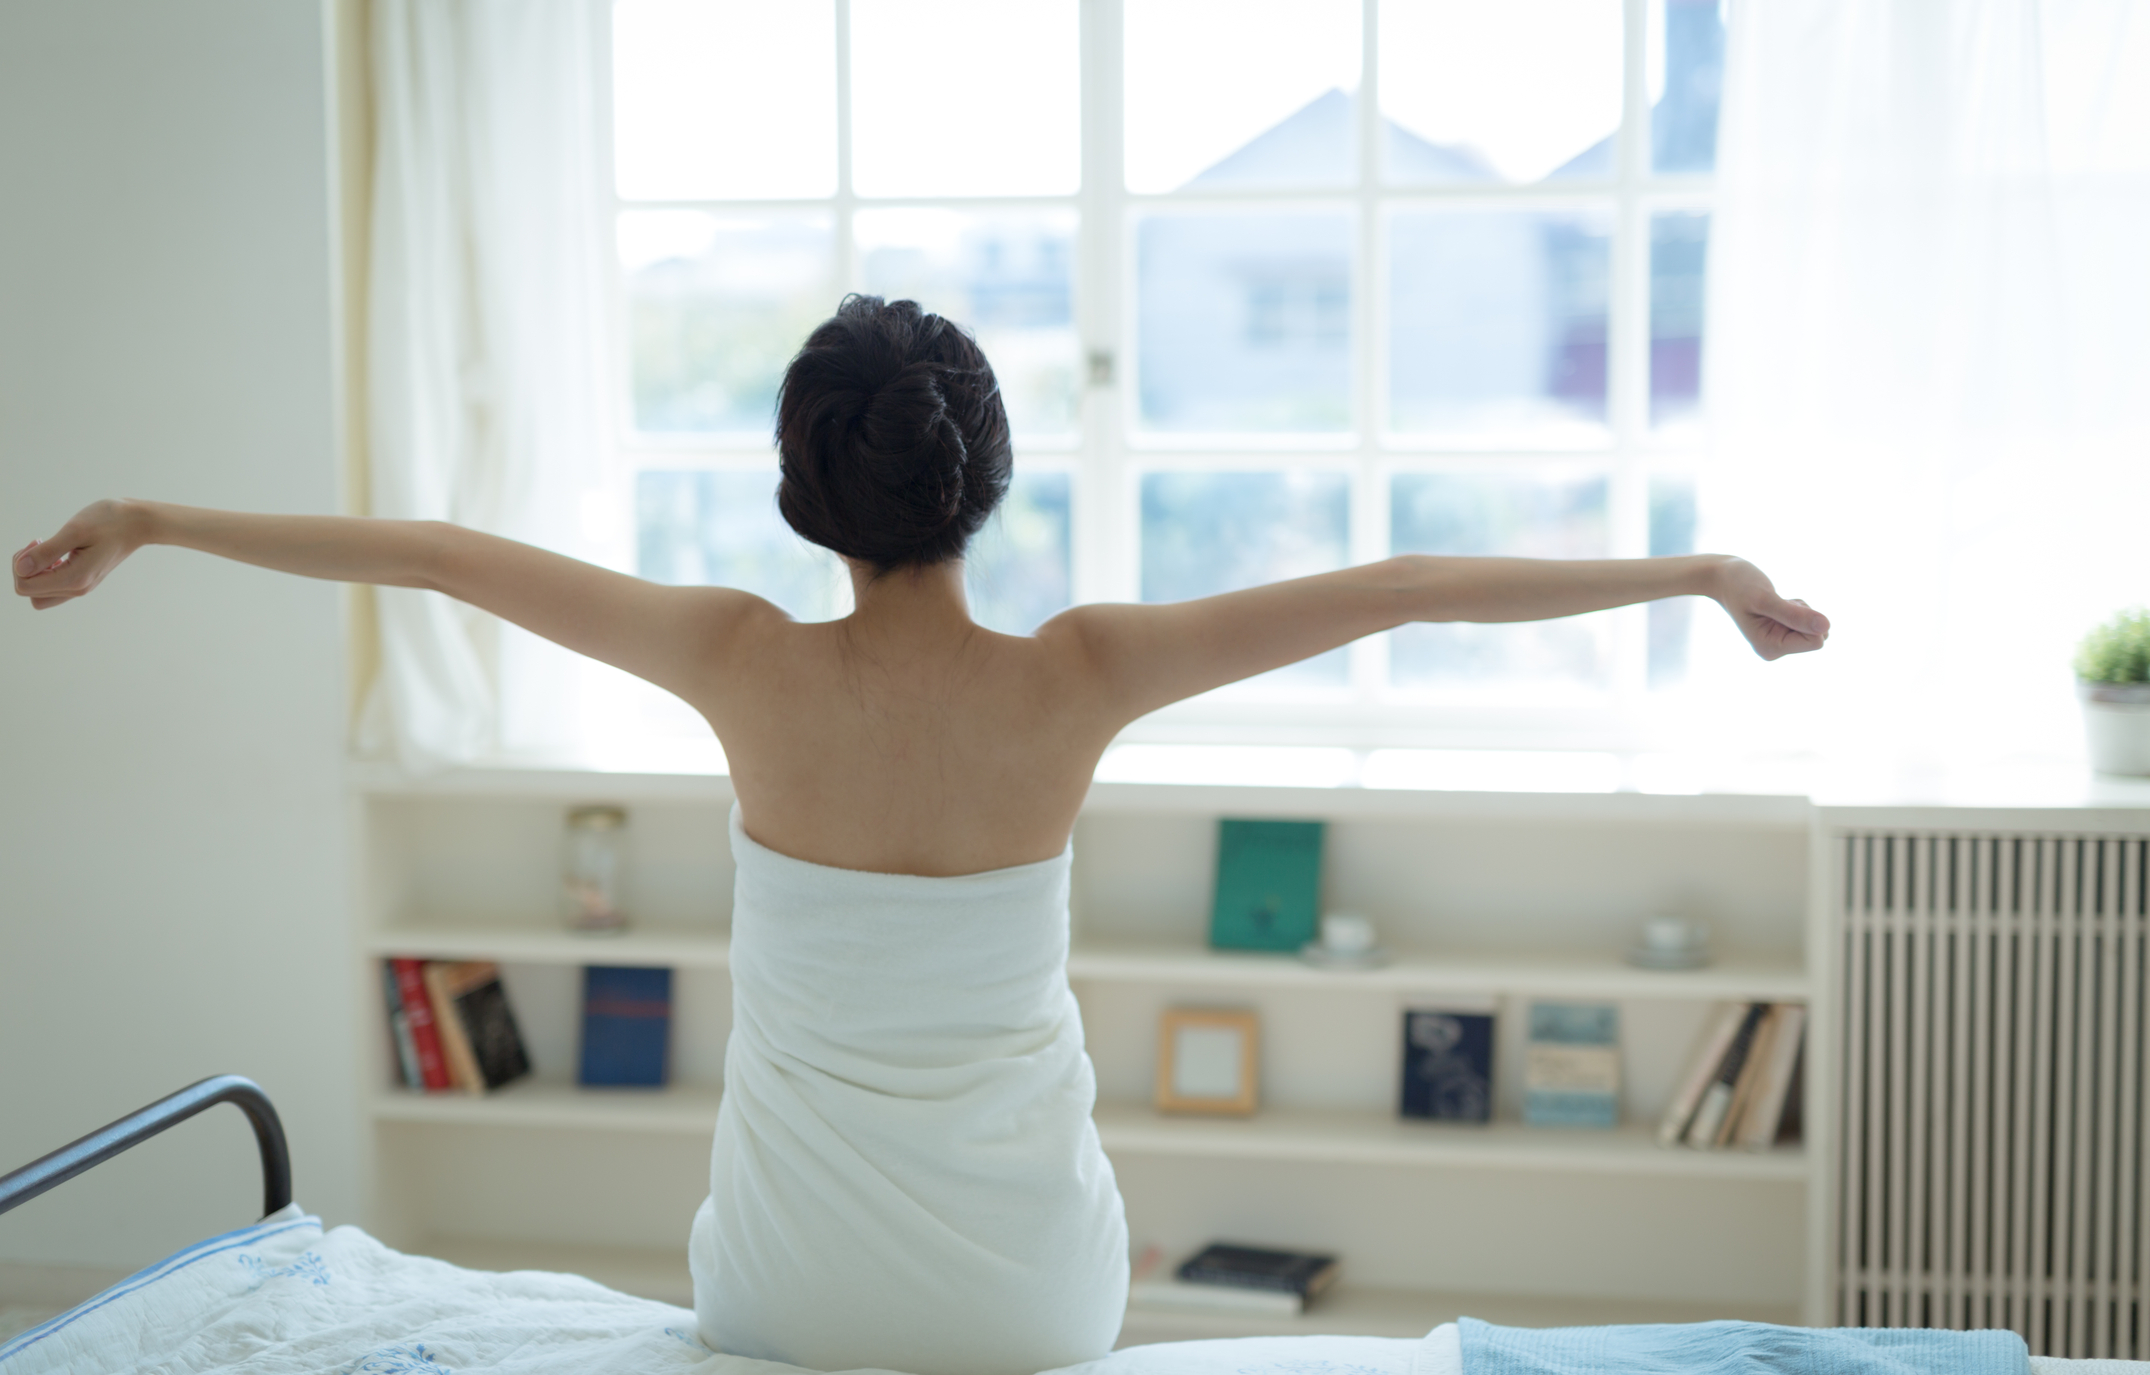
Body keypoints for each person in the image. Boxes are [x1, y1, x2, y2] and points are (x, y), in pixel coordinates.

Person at [12, 295, 1827, 1375]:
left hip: (781, 1303)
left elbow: (428, 553)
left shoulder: (735, 660)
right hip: (1035, 1308)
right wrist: (1695, 571)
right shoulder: (1083, 674)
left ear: (810, 488)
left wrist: (152, 515)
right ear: (984, 476)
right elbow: (1410, 589)